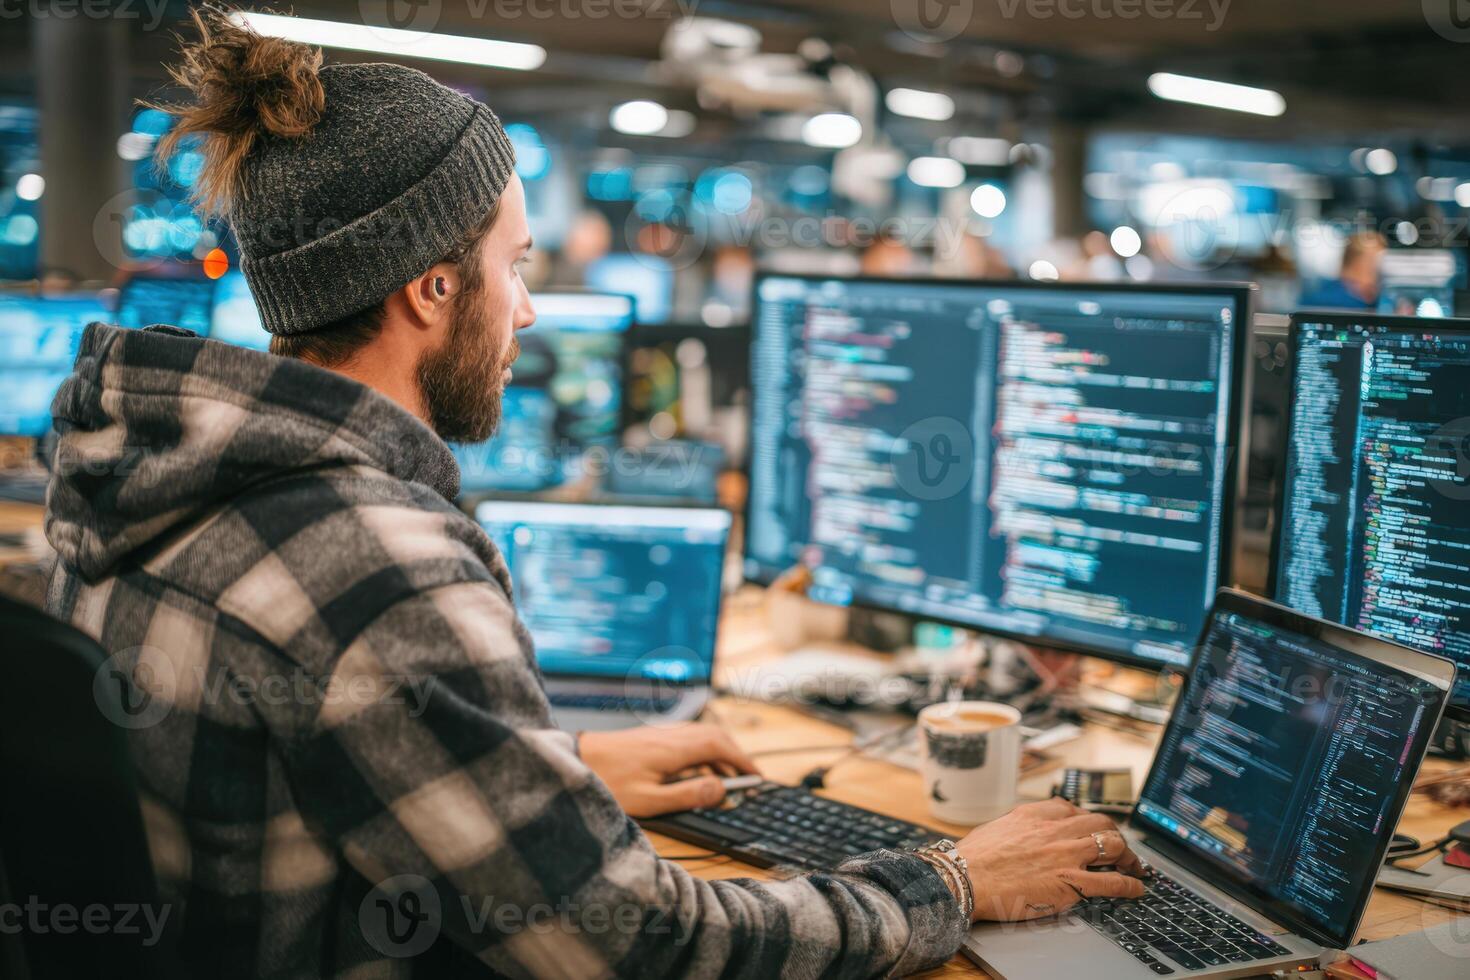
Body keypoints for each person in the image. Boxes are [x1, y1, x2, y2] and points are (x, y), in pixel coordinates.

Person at [43, 10, 1144, 978]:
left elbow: (318, 747)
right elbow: (632, 945)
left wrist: (549, 765)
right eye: (513, 266)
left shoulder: (150, 475)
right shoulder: (371, 557)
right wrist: (950, 882)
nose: (525, 311)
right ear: (431, 289)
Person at [1299, 231, 1386, 309]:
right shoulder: (1325, 300)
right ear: (1355, 264)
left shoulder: (1379, 299)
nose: (1380, 269)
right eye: (1372, 262)